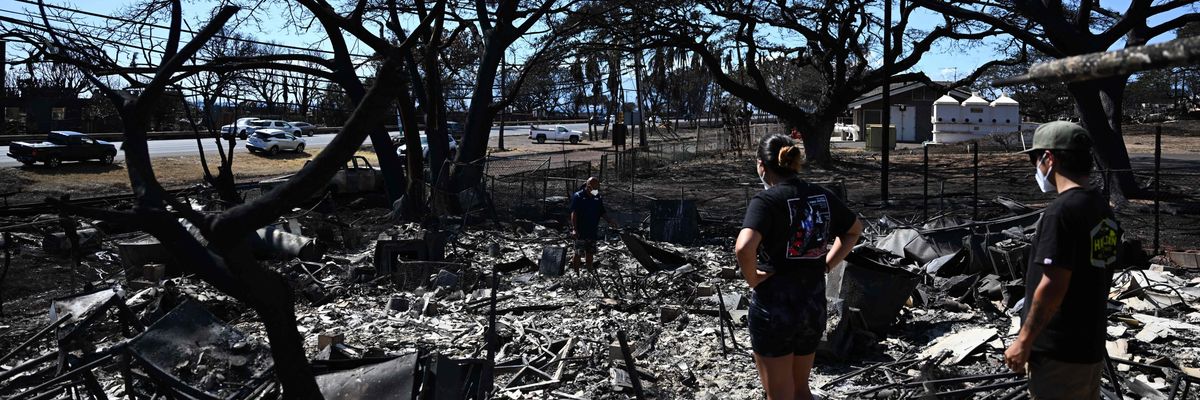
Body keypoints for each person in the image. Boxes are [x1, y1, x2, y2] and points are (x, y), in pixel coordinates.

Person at [735, 134, 862, 400]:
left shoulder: (766, 202)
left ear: (762, 166)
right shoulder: (821, 196)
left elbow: (744, 247)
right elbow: (854, 231)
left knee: (780, 394)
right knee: (801, 390)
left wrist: (751, 279)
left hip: (775, 308)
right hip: (812, 306)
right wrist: (827, 264)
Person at [1004, 121, 1121, 400]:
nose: (1036, 167)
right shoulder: (1100, 207)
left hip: (1059, 353)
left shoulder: (1062, 212)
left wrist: (1023, 341)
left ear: (1049, 158)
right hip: (1088, 346)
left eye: (1036, 159)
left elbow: (1053, 285)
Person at [570, 177, 617, 271]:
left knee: (590, 253)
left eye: (596, 188)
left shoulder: (597, 196)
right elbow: (574, 213)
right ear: (588, 186)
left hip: (592, 230)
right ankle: (576, 273)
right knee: (578, 253)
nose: (595, 190)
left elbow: (601, 211)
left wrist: (609, 221)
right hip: (580, 230)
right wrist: (574, 229)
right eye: (593, 188)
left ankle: (589, 272)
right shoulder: (578, 196)